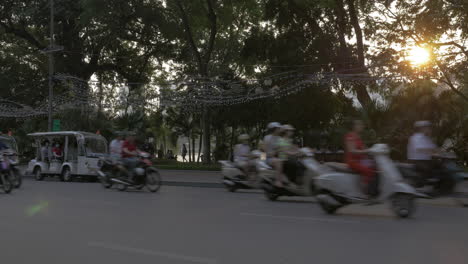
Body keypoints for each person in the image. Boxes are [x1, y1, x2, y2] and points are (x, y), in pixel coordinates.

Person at [407, 121, 448, 191]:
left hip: (426, 160)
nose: (430, 129)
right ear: (421, 128)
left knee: (442, 167)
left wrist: (445, 153)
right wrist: (433, 152)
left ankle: (438, 186)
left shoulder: (427, 138)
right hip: (417, 161)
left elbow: (434, 148)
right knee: (429, 169)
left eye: (429, 128)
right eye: (428, 128)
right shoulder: (416, 137)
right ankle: (425, 187)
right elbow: (420, 148)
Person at [344, 120, 377, 197]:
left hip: (360, 160)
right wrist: (366, 151)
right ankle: (363, 191)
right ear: (354, 126)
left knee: (375, 166)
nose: (362, 126)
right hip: (353, 161)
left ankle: (373, 190)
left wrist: (373, 151)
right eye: (359, 125)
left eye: (362, 125)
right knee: (368, 170)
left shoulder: (358, 137)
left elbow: (364, 148)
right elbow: (352, 150)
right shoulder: (350, 136)